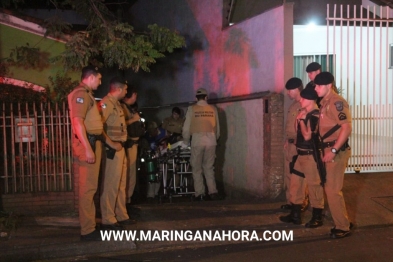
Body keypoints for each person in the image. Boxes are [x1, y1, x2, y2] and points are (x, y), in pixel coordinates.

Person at [314, 72, 352, 239]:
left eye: (318, 85)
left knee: (332, 190)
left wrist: (334, 150)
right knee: (330, 188)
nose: (315, 88)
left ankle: (343, 226)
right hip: (328, 150)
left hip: (336, 151)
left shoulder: (336, 103)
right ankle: (343, 221)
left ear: (329, 86)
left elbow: (346, 127)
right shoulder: (324, 103)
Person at [280, 85, 325, 226]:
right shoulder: (305, 112)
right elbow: (295, 130)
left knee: (314, 186)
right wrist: (299, 119)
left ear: (311, 100)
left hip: (310, 156)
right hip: (301, 155)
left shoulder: (315, 115)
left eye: (303, 98)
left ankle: (317, 217)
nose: (301, 101)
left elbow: (306, 136)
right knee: (295, 183)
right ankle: (295, 215)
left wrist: (301, 120)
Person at [67, 65, 103, 241]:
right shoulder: (81, 94)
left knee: (91, 188)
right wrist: (88, 148)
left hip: (91, 143)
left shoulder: (86, 94)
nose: (100, 81)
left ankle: (90, 226)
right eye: (99, 78)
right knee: (87, 189)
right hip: (86, 145)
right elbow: (77, 122)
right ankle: (87, 230)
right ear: (91, 77)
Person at [98, 76, 135, 229]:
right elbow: (98, 127)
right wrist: (112, 144)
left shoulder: (117, 105)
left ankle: (121, 215)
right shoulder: (106, 104)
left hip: (120, 148)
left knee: (120, 184)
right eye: (125, 89)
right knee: (111, 184)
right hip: (113, 150)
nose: (126, 92)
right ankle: (108, 218)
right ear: (118, 89)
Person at [182, 88, 221, 201]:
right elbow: (217, 128)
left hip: (197, 140)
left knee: (197, 168)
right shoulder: (213, 109)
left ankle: (200, 193)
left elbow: (186, 128)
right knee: (209, 167)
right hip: (211, 140)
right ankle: (213, 192)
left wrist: (185, 141)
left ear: (196, 98)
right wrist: (215, 139)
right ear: (206, 97)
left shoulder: (192, 109)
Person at [282, 78, 309, 212]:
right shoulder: (293, 105)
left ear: (297, 89)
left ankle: (300, 203)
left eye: (290, 90)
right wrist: (287, 140)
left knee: (299, 177)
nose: (288, 93)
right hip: (291, 145)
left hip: (299, 146)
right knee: (288, 174)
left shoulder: (305, 104)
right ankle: (291, 201)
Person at [121, 88, 143, 215]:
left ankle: (128, 201)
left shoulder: (128, 108)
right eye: (136, 94)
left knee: (131, 175)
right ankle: (125, 203)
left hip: (133, 144)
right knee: (128, 175)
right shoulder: (123, 108)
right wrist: (134, 119)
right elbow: (122, 124)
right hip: (129, 145)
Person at [144, 121, 168, 199]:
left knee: (160, 174)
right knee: (151, 174)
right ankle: (150, 195)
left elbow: (168, 142)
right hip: (151, 157)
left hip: (162, 155)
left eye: (152, 131)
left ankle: (156, 193)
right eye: (149, 131)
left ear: (156, 129)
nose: (151, 133)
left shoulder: (164, 132)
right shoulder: (147, 135)